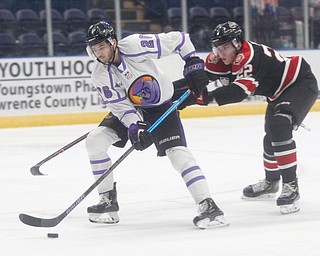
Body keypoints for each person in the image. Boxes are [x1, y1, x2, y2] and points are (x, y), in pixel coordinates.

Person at [84, 21, 228, 229]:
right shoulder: (99, 75)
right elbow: (121, 107)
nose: (99, 53)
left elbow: (180, 39)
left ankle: (208, 205)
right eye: (95, 49)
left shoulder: (134, 46)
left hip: (161, 106)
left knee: (178, 153)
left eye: (102, 47)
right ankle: (108, 201)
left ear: (113, 42)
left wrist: (192, 60)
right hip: (134, 110)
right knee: (95, 140)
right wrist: (135, 127)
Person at [174, 21, 318, 214]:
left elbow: (238, 92)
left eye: (225, 47)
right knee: (271, 136)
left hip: (299, 83)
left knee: (279, 126)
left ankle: (291, 186)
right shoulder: (220, 58)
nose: (221, 52)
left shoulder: (250, 57)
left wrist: (202, 99)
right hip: (277, 93)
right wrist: (167, 91)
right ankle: (271, 182)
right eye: (218, 47)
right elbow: (198, 81)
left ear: (237, 43)